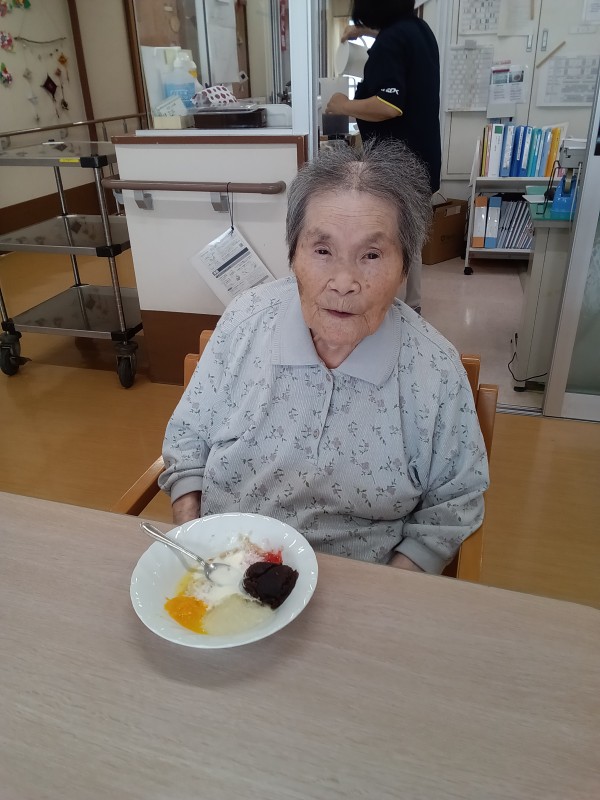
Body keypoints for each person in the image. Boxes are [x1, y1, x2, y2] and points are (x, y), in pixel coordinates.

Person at [159, 140, 488, 575]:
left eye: (371, 255)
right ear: (293, 255)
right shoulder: (244, 322)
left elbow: (453, 505)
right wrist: (195, 548)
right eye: (322, 250)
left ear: (405, 269)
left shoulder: (436, 370)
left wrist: (385, 594)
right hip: (223, 570)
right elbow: (186, 441)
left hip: (360, 588)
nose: (344, 281)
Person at [325, 0, 441, 314]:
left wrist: (342, 105)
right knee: (410, 238)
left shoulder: (390, 41)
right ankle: (411, 306)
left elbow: (389, 106)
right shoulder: (418, 29)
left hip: (399, 165)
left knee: (390, 240)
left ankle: (393, 311)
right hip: (421, 159)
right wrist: (364, 31)